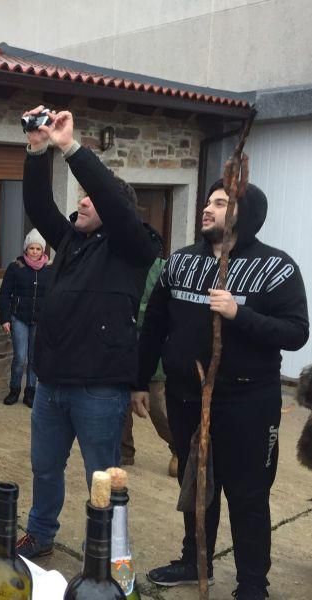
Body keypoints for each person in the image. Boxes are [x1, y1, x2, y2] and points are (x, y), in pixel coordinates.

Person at [135, 180, 308, 599]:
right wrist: (138, 381)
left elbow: (296, 332)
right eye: (208, 201)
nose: (207, 209)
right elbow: (154, 325)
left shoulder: (276, 267)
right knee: (196, 484)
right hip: (185, 397)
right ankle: (196, 561)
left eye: (220, 202)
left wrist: (238, 312)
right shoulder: (179, 262)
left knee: (247, 494)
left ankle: (252, 584)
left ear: (243, 213)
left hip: (249, 401)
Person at [16, 106, 160, 559]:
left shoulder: (135, 246)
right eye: (80, 196)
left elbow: (114, 204)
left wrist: (72, 148)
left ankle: (108, 550)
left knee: (101, 476)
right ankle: (40, 535)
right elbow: (39, 206)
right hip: (52, 382)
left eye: (90, 198)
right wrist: (38, 151)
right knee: (45, 469)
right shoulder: (73, 241)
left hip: (98, 389)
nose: (81, 201)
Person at [121, 254, 178, 476]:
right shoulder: (119, 262)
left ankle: (180, 448)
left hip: (151, 345)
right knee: (120, 403)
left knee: (156, 404)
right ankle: (124, 450)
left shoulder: (161, 268)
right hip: (123, 344)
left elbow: (160, 308)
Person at [0, 229, 48, 408]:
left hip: (39, 320)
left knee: (34, 358)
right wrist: (5, 318)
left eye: (38, 248)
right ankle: (14, 389)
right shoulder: (16, 267)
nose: (34, 252)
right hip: (19, 317)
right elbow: (5, 294)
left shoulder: (48, 270)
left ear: (43, 250)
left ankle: (31, 391)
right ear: (26, 249)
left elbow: (52, 296)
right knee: (20, 357)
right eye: (31, 248)